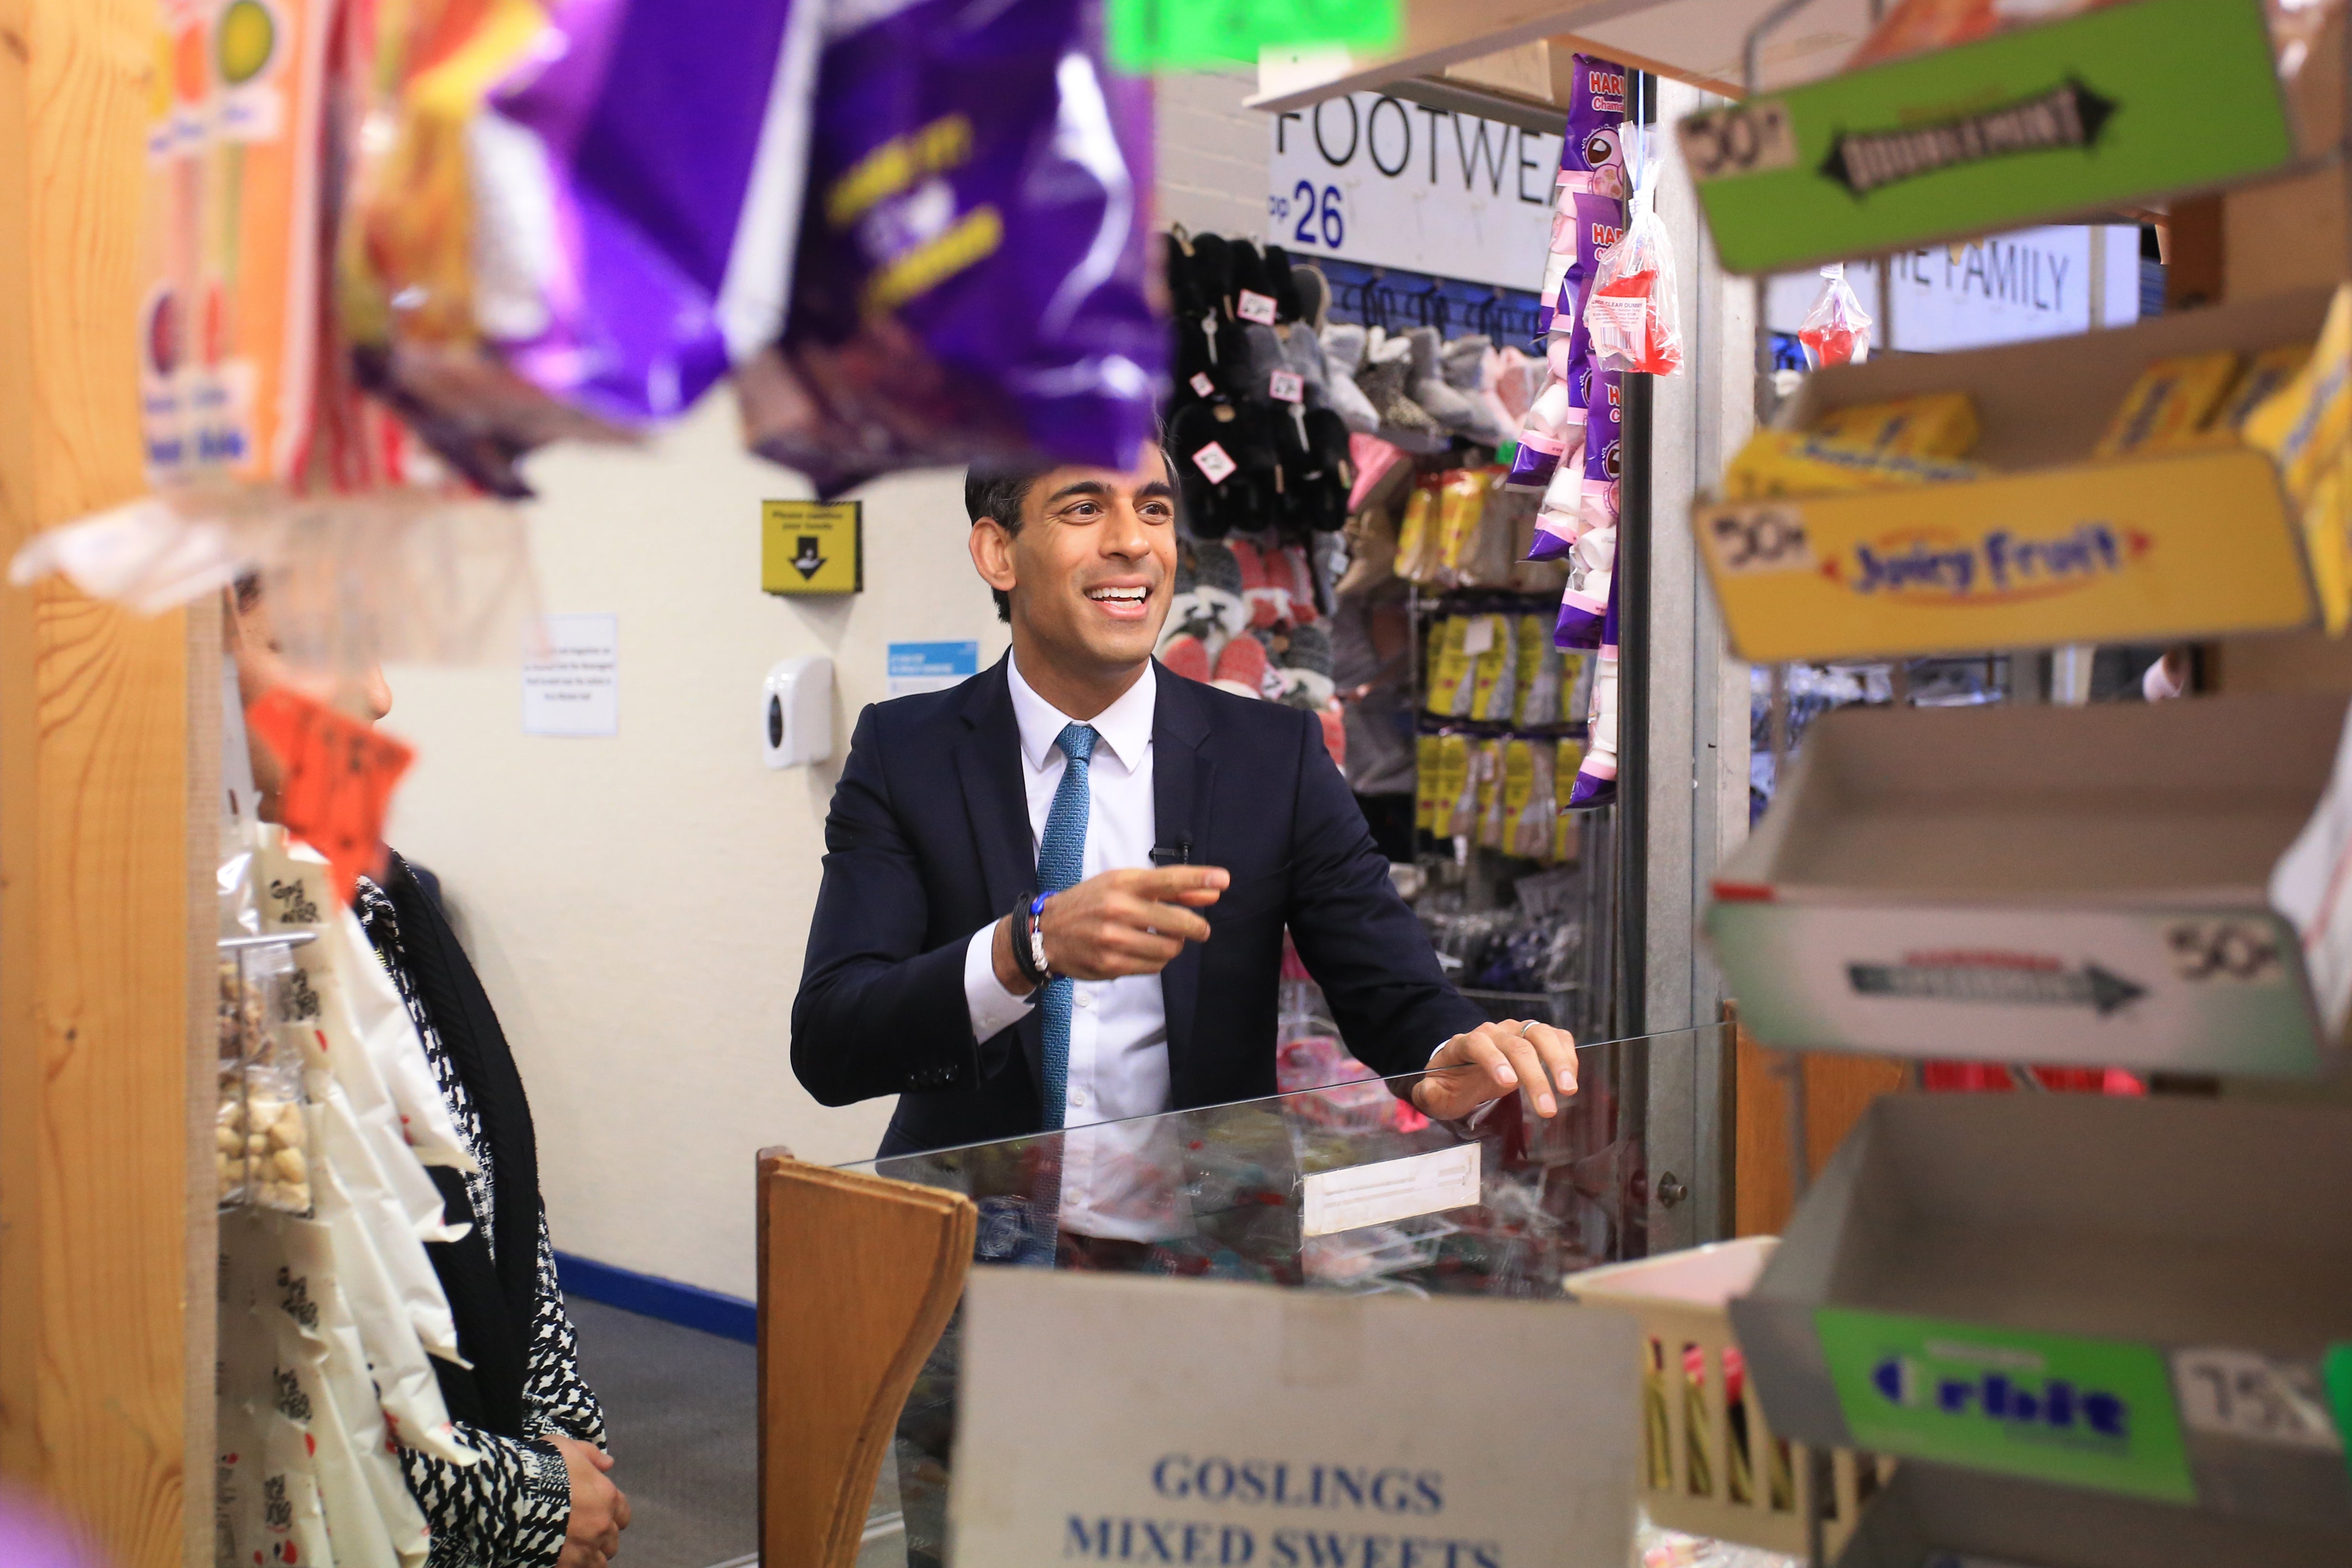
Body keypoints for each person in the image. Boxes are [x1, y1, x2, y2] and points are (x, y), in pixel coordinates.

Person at [790, 442, 1579, 1159]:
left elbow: (1393, 987)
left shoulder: (1276, 756)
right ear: (999, 552)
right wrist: (1024, 949)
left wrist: (1448, 1054)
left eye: (1155, 510)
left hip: (1206, 1254)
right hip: (967, 1253)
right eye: (1084, 508)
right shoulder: (907, 751)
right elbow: (832, 1041)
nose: (1133, 541)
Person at [228, 580, 629, 1568]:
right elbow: (279, 1331)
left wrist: (563, 1436)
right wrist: (525, 1495)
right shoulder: (222, 962)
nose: (374, 694)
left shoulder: (383, 900)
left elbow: (496, 1197)